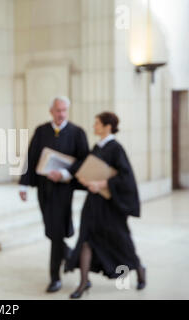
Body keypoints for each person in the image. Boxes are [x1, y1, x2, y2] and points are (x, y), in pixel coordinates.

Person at [64, 111, 146, 299]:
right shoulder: (97, 147)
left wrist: (101, 184)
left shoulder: (116, 148)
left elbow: (125, 177)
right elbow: (89, 168)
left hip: (111, 205)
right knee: (86, 240)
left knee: (121, 241)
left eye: (97, 123)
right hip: (93, 204)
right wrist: (85, 180)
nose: (94, 127)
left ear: (108, 126)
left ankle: (140, 270)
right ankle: (83, 283)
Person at [19, 96, 89, 293]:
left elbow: (84, 160)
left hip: (63, 190)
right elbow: (31, 157)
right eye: (58, 110)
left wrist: (65, 173)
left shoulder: (77, 132)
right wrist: (23, 185)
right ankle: (78, 263)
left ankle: (54, 278)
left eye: (65, 110)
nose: (61, 114)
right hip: (44, 190)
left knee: (56, 232)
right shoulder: (42, 131)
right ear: (51, 111)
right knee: (52, 231)